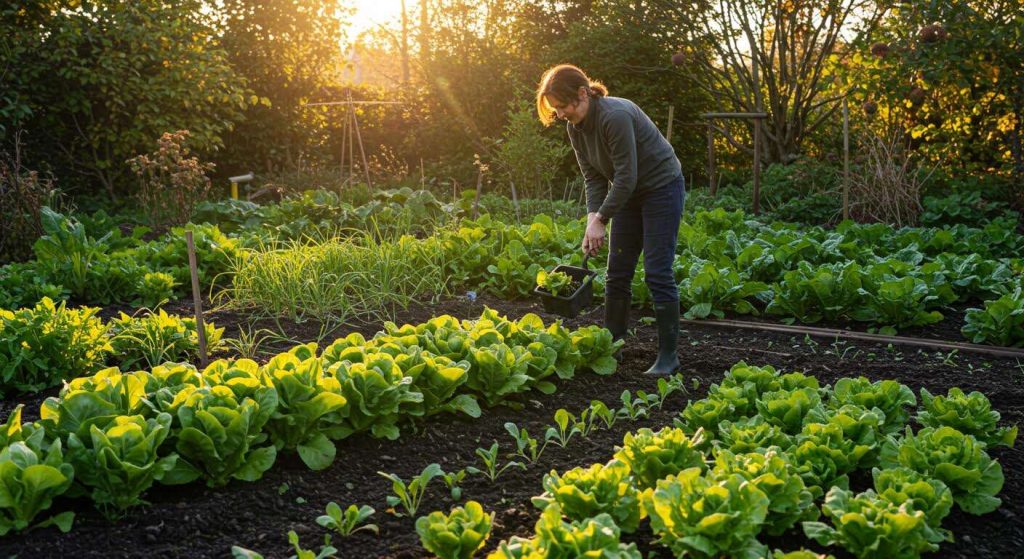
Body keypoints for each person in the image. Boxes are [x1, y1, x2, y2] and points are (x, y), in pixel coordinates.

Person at [536, 64, 685, 376]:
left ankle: (668, 357)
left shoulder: (614, 116)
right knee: (617, 273)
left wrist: (603, 217)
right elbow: (593, 177)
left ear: (582, 94)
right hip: (627, 193)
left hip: (661, 188)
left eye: (562, 106)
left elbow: (626, 175)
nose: (560, 114)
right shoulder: (574, 128)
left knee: (657, 272)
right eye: (555, 109)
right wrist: (593, 218)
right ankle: (612, 345)